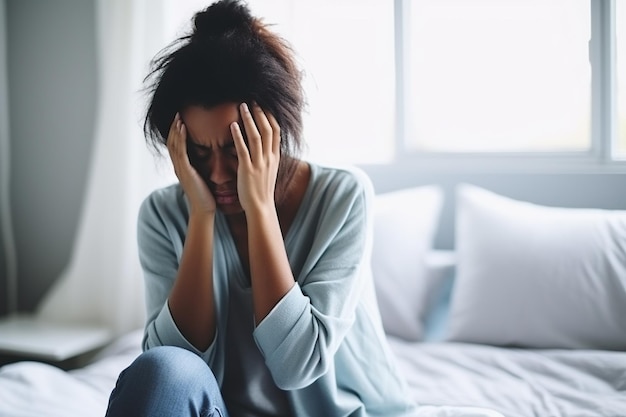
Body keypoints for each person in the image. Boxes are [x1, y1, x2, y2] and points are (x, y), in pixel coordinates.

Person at [105, 0, 417, 416]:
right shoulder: (162, 216)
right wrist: (201, 216)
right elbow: (171, 372)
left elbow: (297, 365)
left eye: (237, 150)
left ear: (274, 133)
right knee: (159, 369)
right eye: (199, 152)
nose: (216, 175)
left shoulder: (343, 197)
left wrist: (260, 208)